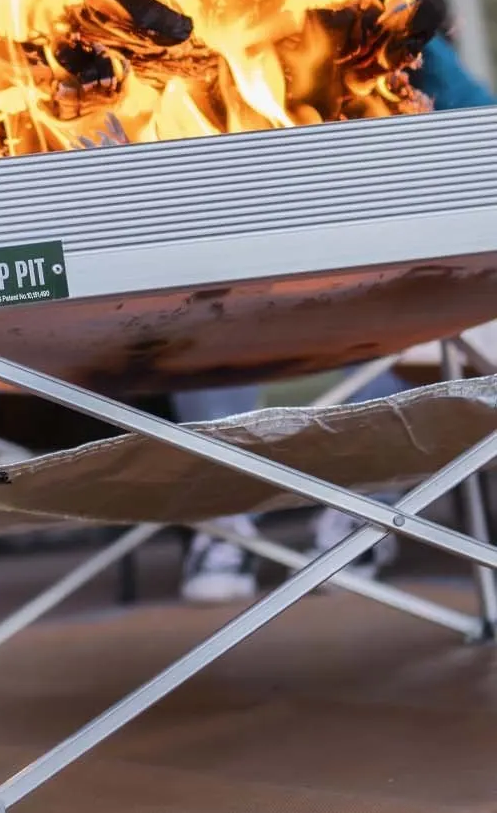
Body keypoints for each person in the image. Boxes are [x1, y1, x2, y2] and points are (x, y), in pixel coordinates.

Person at [180, 31, 497, 604]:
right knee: (196, 319)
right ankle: (225, 530)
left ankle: (360, 521)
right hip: (237, 299)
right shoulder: (191, 62)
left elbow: (479, 125)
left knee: (384, 312)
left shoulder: (367, 22)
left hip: (373, 291)